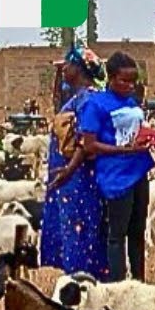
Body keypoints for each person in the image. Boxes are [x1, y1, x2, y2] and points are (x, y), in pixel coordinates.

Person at [77, 51, 155, 282]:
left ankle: (139, 282)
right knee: (117, 234)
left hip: (138, 170)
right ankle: (118, 286)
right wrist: (124, 150)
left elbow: (132, 131)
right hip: (116, 176)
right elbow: (89, 145)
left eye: (133, 81)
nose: (130, 86)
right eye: (124, 81)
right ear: (111, 78)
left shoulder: (130, 101)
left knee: (137, 231)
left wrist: (149, 138)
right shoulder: (96, 104)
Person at [43, 44, 108, 279]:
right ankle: (77, 275)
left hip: (79, 179)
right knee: (74, 226)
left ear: (79, 68)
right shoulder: (78, 98)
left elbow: (84, 141)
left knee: (80, 227)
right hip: (71, 178)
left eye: (68, 64)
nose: (64, 69)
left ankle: (82, 279)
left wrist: (69, 170)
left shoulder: (87, 100)